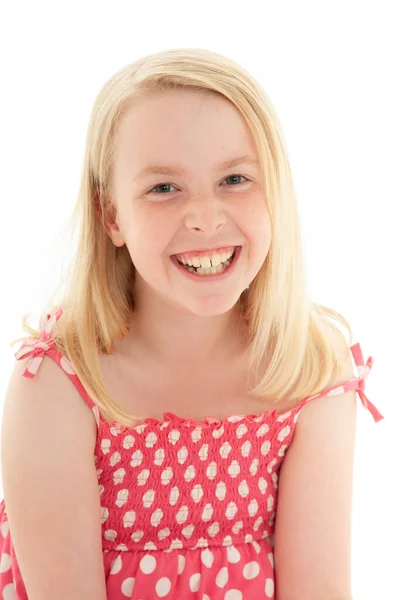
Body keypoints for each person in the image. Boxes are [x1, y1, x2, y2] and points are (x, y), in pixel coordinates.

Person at [0, 47, 384, 600]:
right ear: (112, 217)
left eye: (234, 178)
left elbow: (319, 588)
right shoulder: (60, 382)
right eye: (163, 188)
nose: (205, 216)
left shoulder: (312, 368)